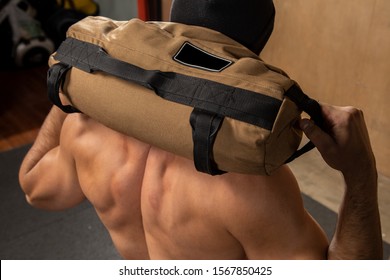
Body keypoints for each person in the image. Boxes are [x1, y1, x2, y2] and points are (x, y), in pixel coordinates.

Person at [18, 0, 383, 259]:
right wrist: (361, 175)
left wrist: (72, 88)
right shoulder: (251, 188)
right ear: (250, 58)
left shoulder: (84, 129)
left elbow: (36, 189)